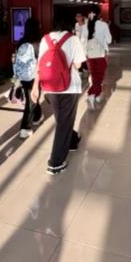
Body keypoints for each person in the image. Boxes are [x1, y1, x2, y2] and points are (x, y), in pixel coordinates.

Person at [31, 20, 86, 175]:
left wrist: (35, 87)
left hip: (49, 87)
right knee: (64, 122)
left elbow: (39, 65)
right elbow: (78, 65)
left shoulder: (45, 39)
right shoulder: (72, 39)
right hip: (69, 87)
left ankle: (72, 140)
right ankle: (55, 163)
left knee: (62, 119)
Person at [12, 17, 43, 139]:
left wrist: (15, 80)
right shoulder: (37, 43)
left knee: (32, 97)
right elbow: (40, 61)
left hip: (22, 77)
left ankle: (38, 116)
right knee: (31, 100)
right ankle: (25, 128)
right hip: (34, 76)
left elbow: (15, 61)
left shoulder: (21, 42)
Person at [85, 5, 112, 109]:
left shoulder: (86, 25)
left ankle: (96, 95)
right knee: (99, 78)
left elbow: (83, 41)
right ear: (99, 14)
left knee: (94, 76)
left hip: (89, 55)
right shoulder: (103, 24)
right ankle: (92, 95)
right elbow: (109, 40)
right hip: (101, 54)